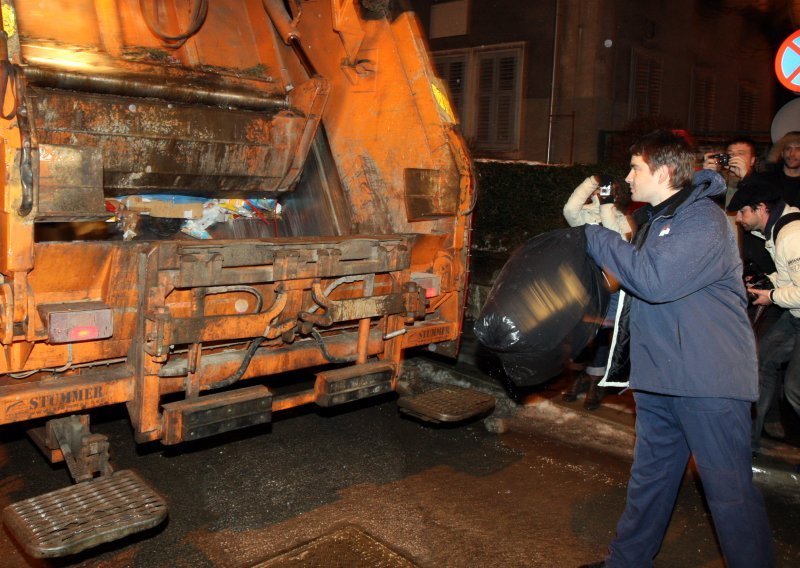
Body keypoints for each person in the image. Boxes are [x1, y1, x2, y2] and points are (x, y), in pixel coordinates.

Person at [579, 130, 774, 568]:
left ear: (665, 172)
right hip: (662, 377)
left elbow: (654, 281)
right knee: (650, 482)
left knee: (729, 494)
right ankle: (627, 563)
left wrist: (597, 235)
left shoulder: (703, 220)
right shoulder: (659, 220)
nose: (629, 176)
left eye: (637, 168)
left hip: (708, 381)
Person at [725, 177, 800, 456]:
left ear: (760, 208)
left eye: (743, 212)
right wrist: (767, 283)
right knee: (762, 363)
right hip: (795, 316)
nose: (739, 219)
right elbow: (790, 275)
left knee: (794, 389)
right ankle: (748, 442)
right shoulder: (780, 231)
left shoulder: (792, 235)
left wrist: (772, 297)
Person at [561, 175, 631, 410]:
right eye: (600, 190)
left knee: (602, 335)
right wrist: (592, 181)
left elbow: (614, 242)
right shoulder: (585, 215)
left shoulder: (623, 221)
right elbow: (570, 209)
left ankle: (594, 383)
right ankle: (576, 379)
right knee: (580, 333)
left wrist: (607, 206)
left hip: (611, 286)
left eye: (607, 190)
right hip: (585, 283)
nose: (600, 192)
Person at [702, 136, 758, 208]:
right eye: (730, 154)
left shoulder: (761, 183)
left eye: (741, 153)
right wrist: (708, 177)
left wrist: (746, 178)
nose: (734, 157)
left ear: (752, 161)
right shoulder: (720, 181)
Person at [762, 131, 800, 206]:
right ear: (782, 153)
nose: (792, 154)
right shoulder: (768, 180)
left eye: (798, 149)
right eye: (788, 148)